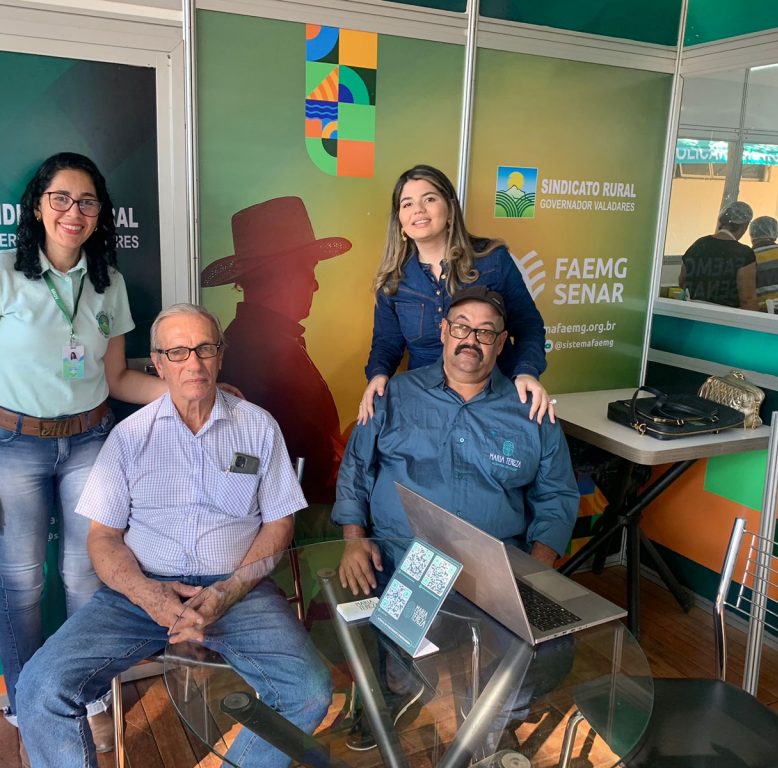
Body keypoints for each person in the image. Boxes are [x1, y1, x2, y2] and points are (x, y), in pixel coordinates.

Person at [16, 304, 332, 768]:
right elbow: (103, 539)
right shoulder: (129, 437)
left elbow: (279, 523)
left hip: (237, 589)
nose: (193, 363)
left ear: (221, 355)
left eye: (204, 349)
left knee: (309, 692)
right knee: (39, 688)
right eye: (178, 352)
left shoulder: (259, 426)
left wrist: (228, 590)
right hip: (139, 592)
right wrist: (147, 594)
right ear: (158, 363)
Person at [0, 152, 167, 749]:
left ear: (101, 213)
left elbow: (118, 379)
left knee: (86, 576)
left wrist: (186, 389)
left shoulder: (108, 283)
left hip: (90, 442)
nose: (74, 212)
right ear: (38, 206)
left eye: (87, 201)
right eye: (61, 199)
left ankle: (86, 695)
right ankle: (29, 708)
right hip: (13, 446)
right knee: (20, 585)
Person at [334, 285, 579, 749]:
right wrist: (353, 537)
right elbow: (356, 470)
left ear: (501, 342)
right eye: (462, 327)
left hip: (494, 565)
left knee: (553, 648)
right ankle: (396, 695)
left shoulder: (532, 411)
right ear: (444, 331)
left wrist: (537, 571)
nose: (472, 340)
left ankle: (492, 711)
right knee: (378, 624)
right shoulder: (393, 394)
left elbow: (558, 496)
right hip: (408, 558)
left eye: (485, 332)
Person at [360, 164, 553, 426]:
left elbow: (528, 326)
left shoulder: (493, 260)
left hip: (493, 400)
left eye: (429, 199)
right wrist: (378, 375)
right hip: (425, 406)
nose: (418, 209)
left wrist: (526, 372)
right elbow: (386, 343)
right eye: (407, 204)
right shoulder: (393, 281)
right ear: (400, 221)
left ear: (450, 208)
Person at [201, 196, 349, 506]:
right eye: (309, 270)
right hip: (291, 516)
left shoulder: (263, 338)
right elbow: (264, 461)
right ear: (283, 275)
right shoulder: (256, 352)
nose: (315, 285)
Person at [679, 201, 758, 310]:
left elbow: (682, 280)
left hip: (693, 311)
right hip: (725, 316)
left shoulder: (699, 244)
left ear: (721, 221)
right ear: (745, 225)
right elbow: (747, 298)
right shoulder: (744, 253)